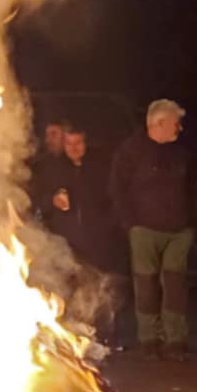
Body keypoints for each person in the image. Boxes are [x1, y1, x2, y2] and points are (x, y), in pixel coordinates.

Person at [109, 99, 194, 357]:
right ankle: (149, 338)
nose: (179, 129)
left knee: (175, 286)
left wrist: (192, 222)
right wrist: (130, 224)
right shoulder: (131, 151)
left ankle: (175, 339)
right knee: (146, 285)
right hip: (144, 229)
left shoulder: (182, 152)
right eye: (175, 124)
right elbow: (117, 188)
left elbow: (195, 188)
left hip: (179, 231)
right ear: (158, 123)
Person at [40, 125, 127, 345]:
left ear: (85, 144)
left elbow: (115, 199)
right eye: (69, 144)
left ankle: (105, 339)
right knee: (70, 291)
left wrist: (108, 227)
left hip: (97, 242)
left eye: (78, 143)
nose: (74, 148)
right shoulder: (55, 169)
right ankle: (71, 339)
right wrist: (53, 200)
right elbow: (39, 200)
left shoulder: (99, 169)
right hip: (67, 244)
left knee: (101, 291)